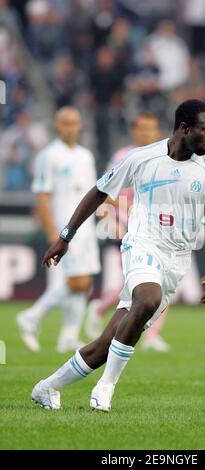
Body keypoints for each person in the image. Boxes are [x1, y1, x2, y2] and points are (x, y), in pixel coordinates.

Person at [31, 99, 205, 412]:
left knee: (106, 343)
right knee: (147, 299)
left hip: (177, 260)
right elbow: (99, 191)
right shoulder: (141, 158)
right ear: (183, 128)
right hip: (142, 243)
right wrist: (65, 237)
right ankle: (106, 386)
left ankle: (46, 387)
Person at [17, 107, 100, 353]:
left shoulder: (86, 156)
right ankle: (31, 316)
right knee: (78, 280)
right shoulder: (48, 156)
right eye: (65, 123)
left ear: (80, 126)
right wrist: (53, 232)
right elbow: (42, 196)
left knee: (85, 283)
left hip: (86, 227)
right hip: (66, 228)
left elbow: (94, 192)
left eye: (74, 123)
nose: (70, 127)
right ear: (57, 125)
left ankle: (68, 335)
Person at [86, 112, 171, 352]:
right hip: (127, 227)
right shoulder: (123, 156)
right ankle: (102, 308)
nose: (147, 133)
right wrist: (120, 214)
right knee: (136, 284)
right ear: (134, 130)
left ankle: (152, 334)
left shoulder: (165, 157)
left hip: (157, 229)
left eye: (151, 128)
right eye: (142, 128)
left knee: (161, 281)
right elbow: (105, 191)